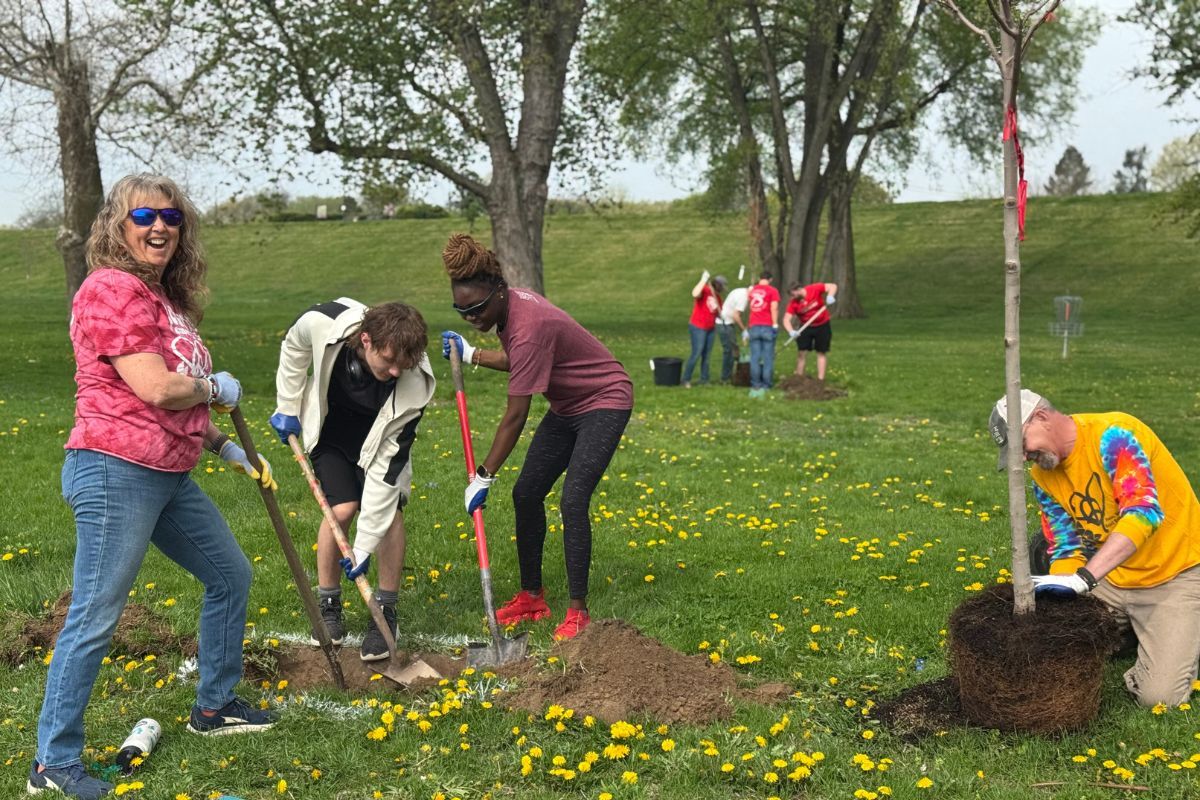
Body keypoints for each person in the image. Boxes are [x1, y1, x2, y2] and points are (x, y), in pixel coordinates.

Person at [32, 174, 277, 800]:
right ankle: (53, 764)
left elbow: (176, 403)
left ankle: (214, 707)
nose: (160, 226)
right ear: (118, 224)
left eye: (171, 216)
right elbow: (157, 388)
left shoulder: (163, 299)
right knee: (94, 614)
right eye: (144, 215)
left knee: (229, 576)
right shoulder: (110, 289)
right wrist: (214, 388)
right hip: (115, 469)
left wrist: (223, 448)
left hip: (168, 472)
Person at [439, 234, 633, 640]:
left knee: (573, 498)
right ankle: (532, 597)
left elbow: (516, 415)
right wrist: (473, 353)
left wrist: (483, 474)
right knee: (526, 493)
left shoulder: (527, 325)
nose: (470, 317)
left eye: (476, 308)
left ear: (498, 290)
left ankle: (578, 612)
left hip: (605, 400)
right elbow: (523, 359)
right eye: (461, 310)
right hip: (567, 406)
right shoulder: (511, 311)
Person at [989, 389, 1200, 707]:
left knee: (1159, 698)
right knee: (1057, 637)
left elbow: (1142, 514)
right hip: (1112, 579)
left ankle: (1177, 630)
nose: (1021, 457)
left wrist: (1085, 578)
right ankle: (1134, 632)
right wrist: (1065, 590)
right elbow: (1064, 545)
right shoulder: (1043, 475)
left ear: (1042, 418)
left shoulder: (1114, 435)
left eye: (1021, 445)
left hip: (1174, 575)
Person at [270, 300, 435, 661]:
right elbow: (294, 344)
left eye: (401, 366)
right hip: (331, 431)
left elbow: (386, 475)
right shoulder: (324, 323)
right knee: (341, 509)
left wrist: (363, 548)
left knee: (388, 514)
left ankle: (385, 613)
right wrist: (286, 404)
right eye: (387, 361)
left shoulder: (415, 384)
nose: (394, 372)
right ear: (366, 340)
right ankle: (328, 604)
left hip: (379, 442)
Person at [782, 281, 838, 381]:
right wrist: (791, 331)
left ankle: (820, 380)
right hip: (805, 327)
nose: (792, 297)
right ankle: (799, 378)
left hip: (822, 325)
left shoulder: (814, 289)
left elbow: (832, 286)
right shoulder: (794, 303)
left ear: (799, 290)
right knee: (802, 353)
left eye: (793, 294)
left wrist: (830, 296)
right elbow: (786, 319)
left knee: (821, 352)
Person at [682, 271, 724, 387]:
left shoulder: (718, 298)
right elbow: (695, 294)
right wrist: (703, 280)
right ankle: (686, 379)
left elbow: (719, 314)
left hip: (710, 328)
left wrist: (722, 315)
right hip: (698, 327)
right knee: (697, 353)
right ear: (717, 285)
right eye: (721, 286)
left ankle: (704, 379)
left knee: (707, 355)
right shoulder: (705, 290)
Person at [746, 271, 780, 397]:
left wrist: (749, 290)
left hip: (753, 326)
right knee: (767, 358)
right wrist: (775, 324)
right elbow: (774, 308)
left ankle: (755, 384)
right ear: (770, 279)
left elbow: (748, 299)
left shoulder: (752, 290)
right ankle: (766, 385)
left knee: (754, 358)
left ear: (760, 278)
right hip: (767, 326)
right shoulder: (772, 291)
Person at [716, 278, 749, 383]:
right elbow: (736, 316)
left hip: (726, 323)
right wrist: (744, 330)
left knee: (733, 349)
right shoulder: (744, 297)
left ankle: (732, 375)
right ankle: (725, 378)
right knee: (729, 351)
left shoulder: (740, 290)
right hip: (724, 324)